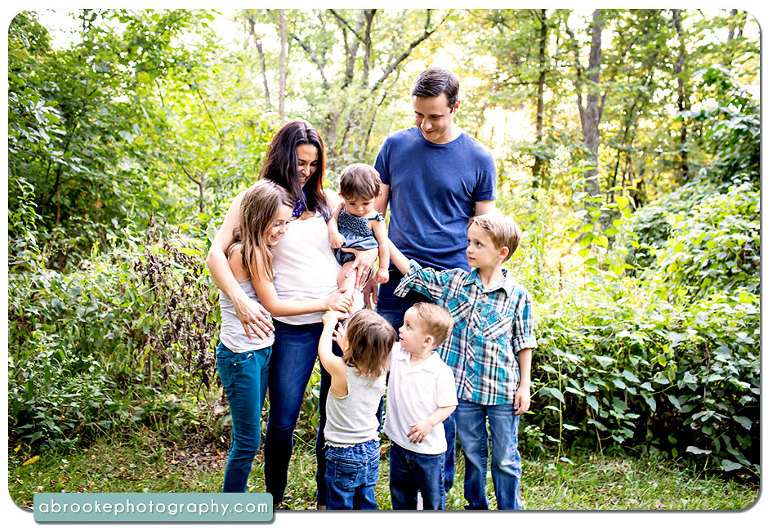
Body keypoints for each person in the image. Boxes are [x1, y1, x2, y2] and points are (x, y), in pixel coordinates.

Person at [206, 119, 371, 509]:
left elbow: (365, 242)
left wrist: (364, 256)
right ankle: (273, 500)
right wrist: (241, 300)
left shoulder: (328, 201)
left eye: (314, 164)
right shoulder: (256, 200)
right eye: (300, 162)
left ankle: (328, 500)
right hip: (290, 324)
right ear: (282, 157)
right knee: (282, 421)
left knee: (336, 420)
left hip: (338, 321)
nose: (307, 171)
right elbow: (217, 255)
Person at [365, 66, 497, 490]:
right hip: (395, 280)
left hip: (450, 287)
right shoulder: (395, 145)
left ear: (455, 107)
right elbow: (373, 213)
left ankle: (438, 482)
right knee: (378, 370)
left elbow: (487, 230)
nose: (425, 124)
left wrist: (484, 285)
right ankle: (379, 470)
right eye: (419, 114)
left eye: (435, 116)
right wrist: (373, 262)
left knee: (442, 381)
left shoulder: (478, 158)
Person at [390, 212, 537, 510]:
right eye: (469, 242)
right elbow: (416, 273)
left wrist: (525, 384)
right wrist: (383, 236)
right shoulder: (454, 284)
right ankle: (476, 507)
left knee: (505, 458)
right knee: (472, 451)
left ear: (501, 253)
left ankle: (510, 510)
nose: (469, 249)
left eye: (478, 244)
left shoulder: (518, 297)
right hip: (464, 392)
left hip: (502, 391)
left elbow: (524, 342)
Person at [215, 180, 292, 492]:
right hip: (241, 357)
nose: (282, 230)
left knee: (249, 437)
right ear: (258, 219)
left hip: (259, 351)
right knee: (247, 441)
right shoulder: (249, 253)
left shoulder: (258, 249)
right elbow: (274, 306)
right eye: (277, 224)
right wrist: (326, 303)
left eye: (286, 223)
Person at [317, 309, 396, 510]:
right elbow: (361, 359)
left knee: (340, 505)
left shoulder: (340, 370)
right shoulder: (380, 371)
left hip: (343, 453)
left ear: (352, 344)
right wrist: (349, 345)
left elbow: (324, 353)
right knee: (366, 501)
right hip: (370, 449)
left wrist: (329, 324)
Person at [383, 302, 458, 510]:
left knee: (433, 499)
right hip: (399, 443)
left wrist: (428, 422)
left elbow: (449, 405)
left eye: (408, 326)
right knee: (400, 494)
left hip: (429, 452)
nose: (400, 328)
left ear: (427, 340)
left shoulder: (439, 371)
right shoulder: (397, 354)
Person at [327, 163, 390, 297]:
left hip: (357, 258)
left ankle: (343, 305)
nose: (359, 208)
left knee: (346, 278)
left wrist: (383, 268)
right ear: (342, 196)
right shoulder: (341, 207)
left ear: (376, 195)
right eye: (353, 203)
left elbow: (383, 244)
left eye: (366, 203)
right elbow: (332, 219)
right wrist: (334, 233)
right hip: (339, 253)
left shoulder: (375, 219)